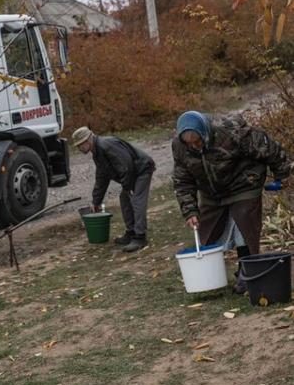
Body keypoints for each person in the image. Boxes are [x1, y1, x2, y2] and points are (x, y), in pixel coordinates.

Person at [172, 111, 291, 293]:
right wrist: (190, 211)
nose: (196, 146)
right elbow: (182, 180)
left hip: (243, 183)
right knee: (206, 232)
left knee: (243, 225)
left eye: (198, 141)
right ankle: (211, 276)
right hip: (211, 192)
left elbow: (268, 148)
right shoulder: (180, 147)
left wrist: (282, 174)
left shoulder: (230, 132)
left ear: (205, 132)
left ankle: (247, 272)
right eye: (191, 144)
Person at [72, 127, 156, 252]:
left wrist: (128, 187)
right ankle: (131, 232)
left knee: (136, 200)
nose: (79, 149)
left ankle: (140, 237)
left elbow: (126, 165)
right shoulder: (97, 152)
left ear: (87, 141)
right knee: (124, 198)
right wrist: (96, 202)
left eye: (80, 145)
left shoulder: (106, 145)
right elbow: (102, 177)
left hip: (141, 169)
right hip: (133, 172)